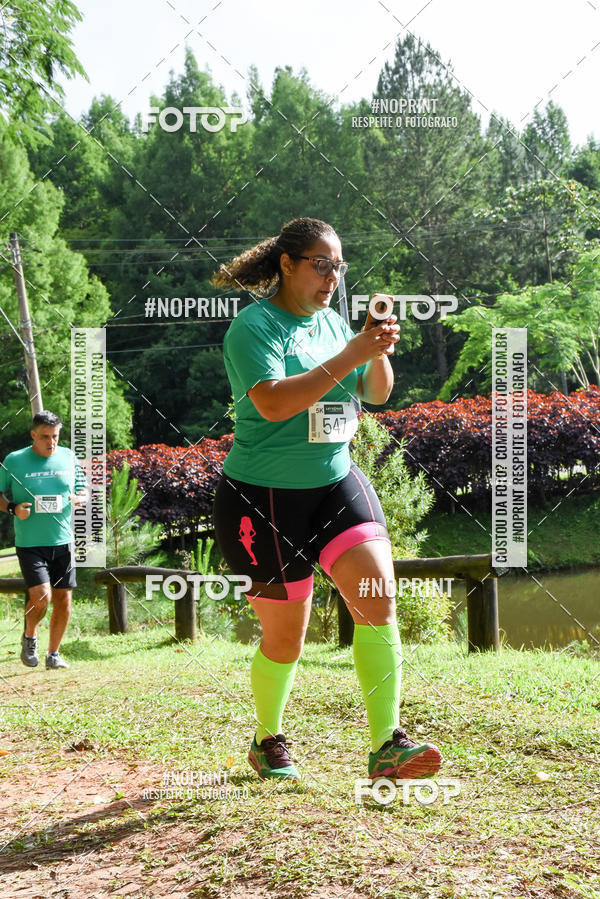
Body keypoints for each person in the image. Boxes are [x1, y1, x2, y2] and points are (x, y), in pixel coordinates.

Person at [212, 217, 442, 782]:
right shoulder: (252, 327)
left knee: (378, 598)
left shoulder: (335, 325)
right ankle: (267, 739)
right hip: (263, 499)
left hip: (336, 481)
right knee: (286, 639)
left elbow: (376, 394)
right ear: (286, 264)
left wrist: (375, 349)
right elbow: (273, 404)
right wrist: (352, 351)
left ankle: (387, 745)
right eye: (321, 265)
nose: (332, 277)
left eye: (338, 267)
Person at [0, 410, 88, 669]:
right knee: (41, 597)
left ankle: (53, 655)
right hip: (30, 543)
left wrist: (80, 498)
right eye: (45, 437)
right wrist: (12, 508)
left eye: (55, 436)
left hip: (63, 541)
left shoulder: (68, 456)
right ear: (33, 435)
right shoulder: (14, 460)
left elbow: (83, 489)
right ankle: (29, 636)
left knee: (63, 599)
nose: (51, 442)